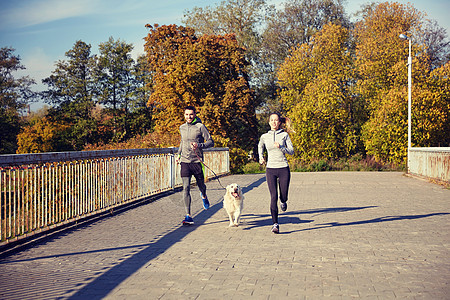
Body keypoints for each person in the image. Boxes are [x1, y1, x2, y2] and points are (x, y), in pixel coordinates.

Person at [176, 105, 214, 225]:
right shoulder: (181, 127)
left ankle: (203, 195)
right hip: (185, 162)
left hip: (197, 162)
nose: (189, 117)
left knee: (201, 185)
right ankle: (188, 216)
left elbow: (210, 142)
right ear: (184, 115)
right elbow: (183, 142)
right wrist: (178, 155)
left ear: (195, 114)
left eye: (191, 114)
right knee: (186, 187)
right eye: (187, 114)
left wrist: (199, 145)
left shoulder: (200, 127)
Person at [258, 112, 294, 233]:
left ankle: (283, 201)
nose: (273, 122)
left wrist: (281, 147)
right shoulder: (264, 136)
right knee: (273, 196)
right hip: (270, 169)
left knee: (283, 195)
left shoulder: (284, 135)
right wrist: (261, 157)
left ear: (279, 122)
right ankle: (275, 224)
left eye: (276, 120)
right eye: (271, 120)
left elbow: (291, 151)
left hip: (283, 168)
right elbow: (260, 146)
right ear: (269, 122)